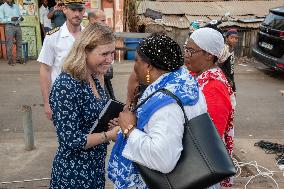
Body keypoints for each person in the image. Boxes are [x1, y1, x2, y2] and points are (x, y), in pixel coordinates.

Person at [108, 34, 207, 189]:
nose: (134, 67)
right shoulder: (183, 82)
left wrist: (129, 129)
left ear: (148, 66)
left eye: (136, 61)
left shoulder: (166, 104)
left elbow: (163, 159)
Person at [49, 23, 120, 188]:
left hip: (94, 170)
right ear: (85, 50)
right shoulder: (66, 85)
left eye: (112, 53)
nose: (110, 60)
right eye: (104, 54)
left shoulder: (93, 77)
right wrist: (108, 136)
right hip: (74, 174)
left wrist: (109, 124)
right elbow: (70, 140)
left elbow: (92, 120)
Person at [184, 27, 236, 188]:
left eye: (191, 50)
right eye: (185, 48)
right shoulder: (197, 76)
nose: (186, 54)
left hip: (202, 168)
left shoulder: (213, 87)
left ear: (209, 55)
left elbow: (210, 138)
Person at [37, 0, 85, 120]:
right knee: (66, 137)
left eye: (80, 10)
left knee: (88, 136)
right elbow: (45, 70)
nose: (77, 14)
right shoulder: (53, 37)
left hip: (86, 97)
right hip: (62, 98)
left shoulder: (88, 35)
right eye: (73, 10)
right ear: (65, 10)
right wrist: (47, 103)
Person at [88, 8, 115, 99]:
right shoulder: (86, 38)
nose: (105, 23)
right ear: (92, 21)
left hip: (104, 82)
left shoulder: (105, 35)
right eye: (102, 20)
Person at [0, 0, 24, 66]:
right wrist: (10, 19)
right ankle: (10, 60)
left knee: (19, 43)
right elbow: (1, 20)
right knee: (9, 43)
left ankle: (19, 58)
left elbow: (19, 15)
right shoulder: (2, 7)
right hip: (9, 26)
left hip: (18, 26)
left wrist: (21, 18)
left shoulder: (16, 6)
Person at [218, 28, 239, 93]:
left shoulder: (231, 49)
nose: (234, 40)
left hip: (230, 78)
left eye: (236, 38)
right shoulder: (225, 50)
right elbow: (219, 67)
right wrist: (228, 80)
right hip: (225, 80)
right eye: (231, 38)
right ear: (226, 38)